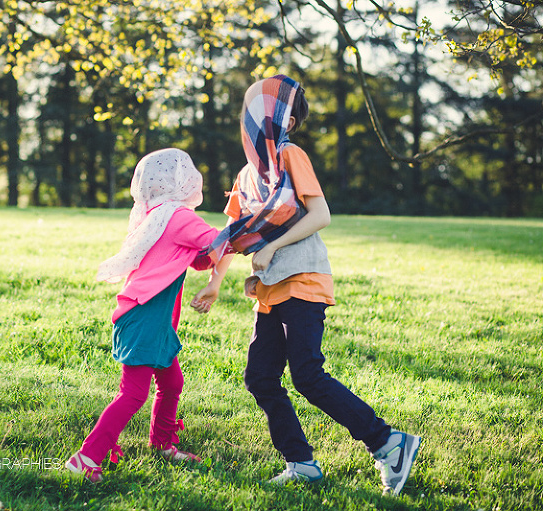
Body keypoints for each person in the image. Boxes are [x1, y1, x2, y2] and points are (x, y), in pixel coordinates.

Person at [191, 75, 421, 496]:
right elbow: (233, 231)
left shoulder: (289, 156)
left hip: (304, 278)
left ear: (287, 122)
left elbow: (320, 215)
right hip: (269, 291)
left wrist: (273, 244)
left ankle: (389, 443)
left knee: (307, 375)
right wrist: (215, 283)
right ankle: (302, 463)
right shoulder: (246, 175)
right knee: (260, 377)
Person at [66, 148, 220, 483]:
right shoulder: (179, 217)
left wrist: (219, 251)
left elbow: (200, 258)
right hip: (145, 318)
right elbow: (217, 241)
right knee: (133, 393)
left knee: (172, 382)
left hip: (151, 319)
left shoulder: (161, 216)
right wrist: (249, 227)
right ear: (181, 181)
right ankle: (86, 457)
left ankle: (162, 443)